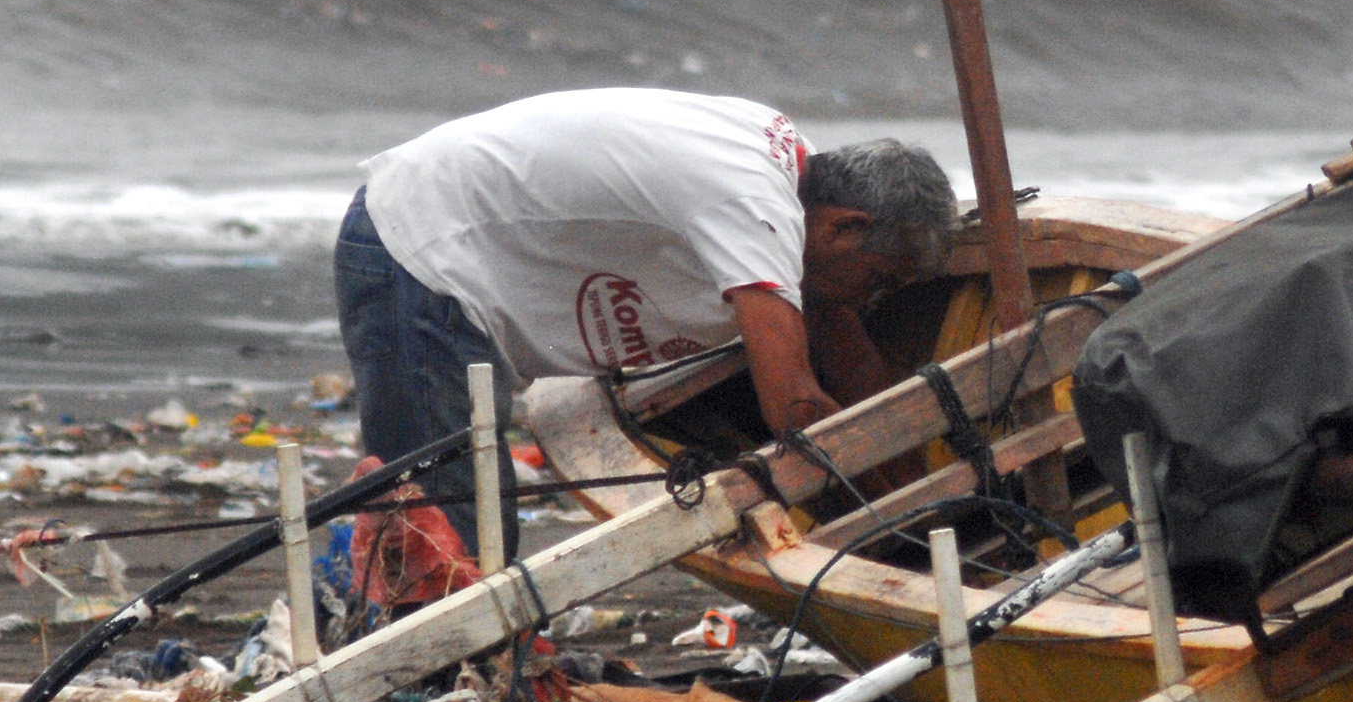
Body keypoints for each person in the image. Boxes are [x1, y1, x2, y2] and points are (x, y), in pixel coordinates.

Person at [333, 89, 958, 557]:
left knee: (464, 522)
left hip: (443, 242)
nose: (871, 298)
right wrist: (903, 523)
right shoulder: (756, 204)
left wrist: (928, 493)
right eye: (879, 279)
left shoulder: (795, 178)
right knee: (451, 529)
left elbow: (845, 347)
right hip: (420, 247)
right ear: (845, 226)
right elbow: (793, 409)